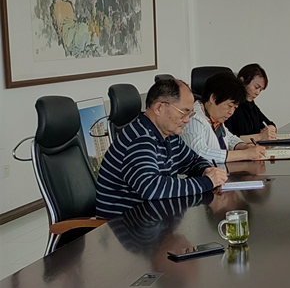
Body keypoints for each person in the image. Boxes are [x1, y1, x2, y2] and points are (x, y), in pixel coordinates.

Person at [96, 79, 228, 218]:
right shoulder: (140, 139)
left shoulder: (169, 135)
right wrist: (206, 182)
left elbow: (192, 161)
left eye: (190, 114)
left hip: (154, 219)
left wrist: (206, 170)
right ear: (159, 108)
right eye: (183, 113)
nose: (187, 120)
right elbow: (152, 188)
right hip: (123, 225)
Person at [181, 71, 266, 165]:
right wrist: (245, 154)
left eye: (235, 108)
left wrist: (243, 146)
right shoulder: (194, 118)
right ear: (213, 98)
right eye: (229, 106)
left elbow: (229, 138)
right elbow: (200, 153)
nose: (231, 112)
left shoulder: (214, 118)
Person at [227, 63, 277, 142]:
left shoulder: (251, 105)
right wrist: (260, 136)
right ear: (242, 81)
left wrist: (271, 129)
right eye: (256, 87)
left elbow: (268, 123)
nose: (258, 93)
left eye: (260, 90)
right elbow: (228, 139)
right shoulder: (231, 105)